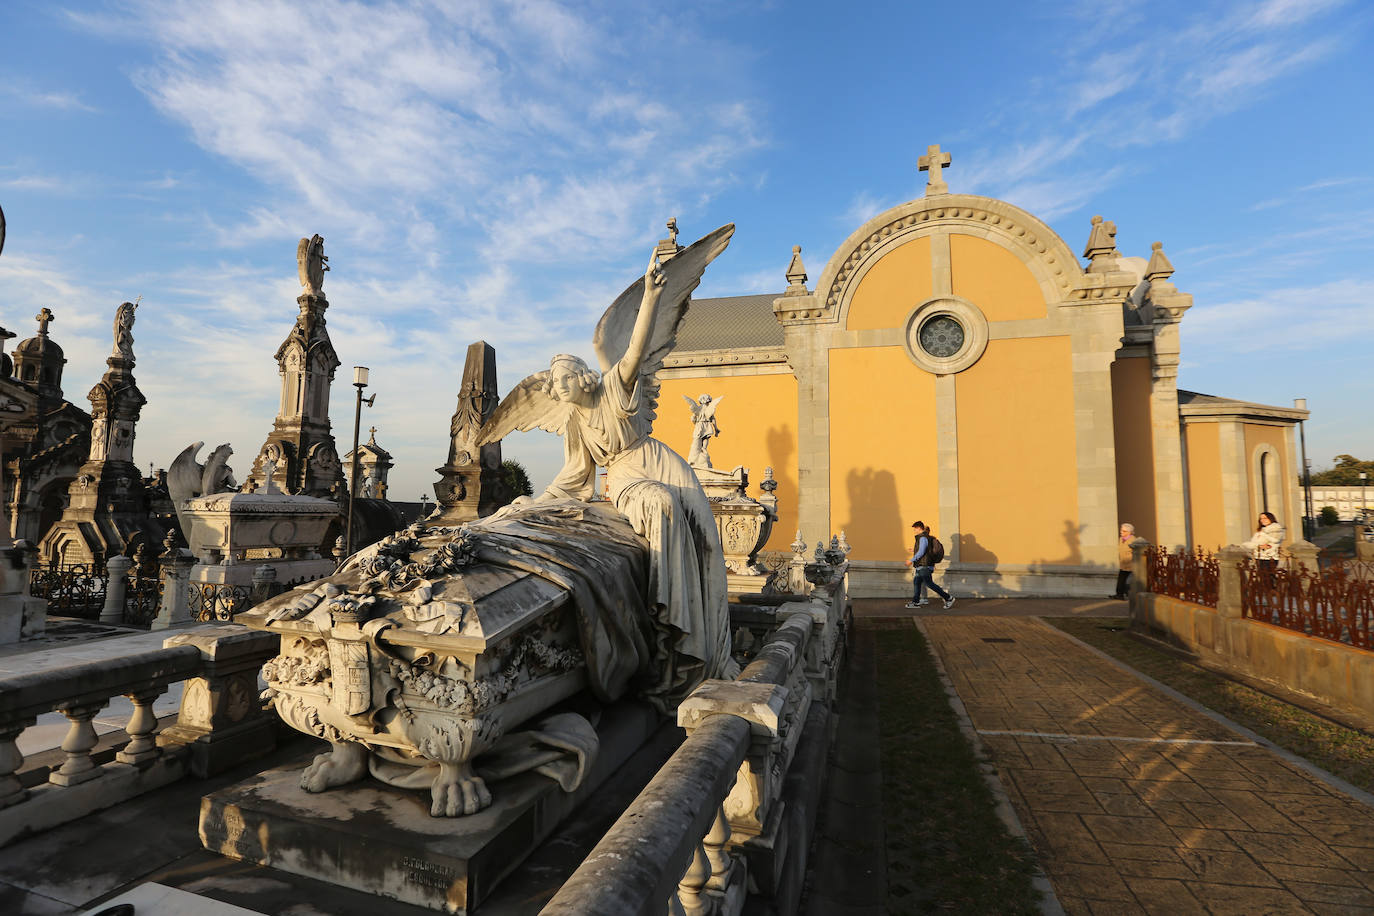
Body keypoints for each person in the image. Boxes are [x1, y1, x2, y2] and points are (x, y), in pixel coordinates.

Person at [904, 520, 954, 610]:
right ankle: (915, 602)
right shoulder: (924, 538)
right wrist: (914, 550)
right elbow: (925, 551)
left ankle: (948, 598)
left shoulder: (922, 538)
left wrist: (911, 560)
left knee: (929, 584)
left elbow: (922, 552)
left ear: (919, 528)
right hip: (921, 565)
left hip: (924, 565)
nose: (914, 531)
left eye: (915, 529)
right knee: (917, 583)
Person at [1242, 511, 1285, 589]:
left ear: (1270, 518)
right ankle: (1267, 593)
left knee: (1268, 576)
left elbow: (1275, 541)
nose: (1262, 520)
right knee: (1262, 576)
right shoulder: (1261, 530)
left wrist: (1264, 539)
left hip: (1270, 557)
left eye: (1265, 518)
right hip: (1259, 556)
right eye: (1261, 518)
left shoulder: (1276, 528)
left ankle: (1272, 592)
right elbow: (1255, 542)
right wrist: (1257, 545)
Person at [1112, 523, 1135, 599]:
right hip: (1123, 563)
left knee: (1126, 580)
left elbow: (1136, 553)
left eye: (1124, 531)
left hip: (1130, 564)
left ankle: (1123, 594)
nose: (1121, 532)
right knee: (1121, 579)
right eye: (1121, 530)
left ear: (1129, 532)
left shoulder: (1133, 540)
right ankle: (1119, 594)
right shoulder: (1121, 539)